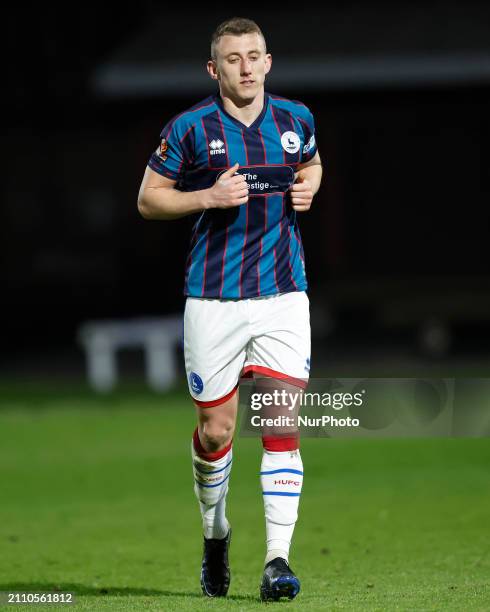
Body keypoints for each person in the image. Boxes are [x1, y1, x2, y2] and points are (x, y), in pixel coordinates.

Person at [137, 16, 322, 601]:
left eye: (255, 55)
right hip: (213, 301)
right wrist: (206, 196)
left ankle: (277, 562)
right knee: (216, 432)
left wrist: (311, 184)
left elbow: (311, 163)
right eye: (233, 58)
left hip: (284, 296)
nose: (246, 67)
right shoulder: (191, 127)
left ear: (269, 61)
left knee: (281, 421)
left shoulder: (297, 120)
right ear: (214, 69)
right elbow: (148, 199)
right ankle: (215, 535)